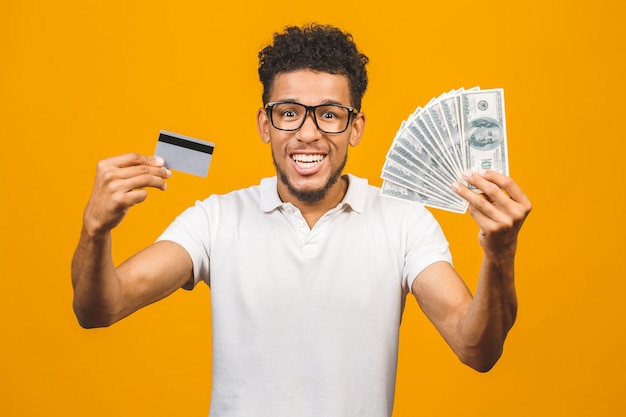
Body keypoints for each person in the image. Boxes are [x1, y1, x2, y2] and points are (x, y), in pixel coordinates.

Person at [71, 23, 532, 417]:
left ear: (355, 127)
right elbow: (101, 309)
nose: (308, 133)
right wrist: (96, 230)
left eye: (329, 115)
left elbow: (477, 349)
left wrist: (500, 254)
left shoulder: (404, 223)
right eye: (289, 113)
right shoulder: (216, 219)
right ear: (264, 124)